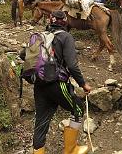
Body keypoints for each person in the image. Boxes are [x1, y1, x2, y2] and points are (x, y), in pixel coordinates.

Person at [21, 10, 91, 154]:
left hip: (39, 84)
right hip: (57, 84)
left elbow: (24, 55)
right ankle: (71, 150)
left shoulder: (40, 37)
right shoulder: (66, 37)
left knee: (41, 120)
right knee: (77, 108)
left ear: (50, 21)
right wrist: (83, 84)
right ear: (64, 21)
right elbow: (72, 65)